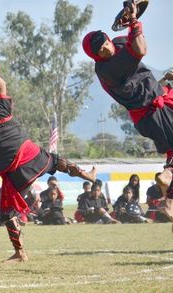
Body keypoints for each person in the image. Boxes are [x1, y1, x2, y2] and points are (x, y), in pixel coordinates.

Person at [0, 65, 96, 262]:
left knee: (8, 213)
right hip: (31, 158)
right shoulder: (0, 114)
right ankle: (86, 174)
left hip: (15, 175)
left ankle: (20, 252)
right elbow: (1, 85)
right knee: (54, 160)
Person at [82, 2, 173, 221]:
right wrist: (133, 21)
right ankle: (168, 188)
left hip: (159, 102)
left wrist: (160, 82)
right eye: (100, 50)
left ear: (107, 37)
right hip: (153, 114)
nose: (105, 49)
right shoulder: (106, 70)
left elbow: (139, 58)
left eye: (104, 43)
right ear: (95, 56)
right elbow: (140, 49)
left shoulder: (119, 42)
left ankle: (167, 185)